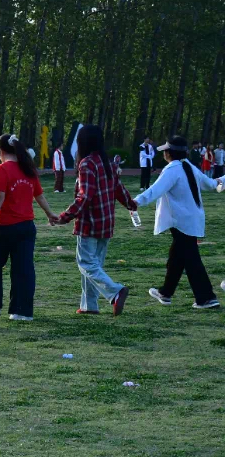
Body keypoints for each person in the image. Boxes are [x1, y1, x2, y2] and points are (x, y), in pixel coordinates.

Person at [53, 124, 139, 316]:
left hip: (89, 223)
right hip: (106, 223)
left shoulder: (86, 164)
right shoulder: (107, 163)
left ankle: (115, 292)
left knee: (86, 264)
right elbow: (119, 189)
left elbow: (84, 197)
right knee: (94, 266)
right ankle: (89, 305)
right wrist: (130, 204)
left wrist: (64, 217)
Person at [0, 135, 59, 322]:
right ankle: (22, 311)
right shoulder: (28, 169)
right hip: (27, 226)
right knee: (23, 268)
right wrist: (49, 213)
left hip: (4, 226)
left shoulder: (2, 169)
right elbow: (39, 195)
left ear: (0, 151)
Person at [136, 136, 222, 309]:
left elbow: (155, 190)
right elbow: (211, 184)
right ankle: (166, 293)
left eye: (165, 151)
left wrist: (135, 202)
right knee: (177, 256)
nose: (164, 154)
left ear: (169, 153)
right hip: (192, 219)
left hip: (180, 221)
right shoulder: (189, 166)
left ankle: (206, 298)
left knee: (191, 258)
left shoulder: (172, 169)